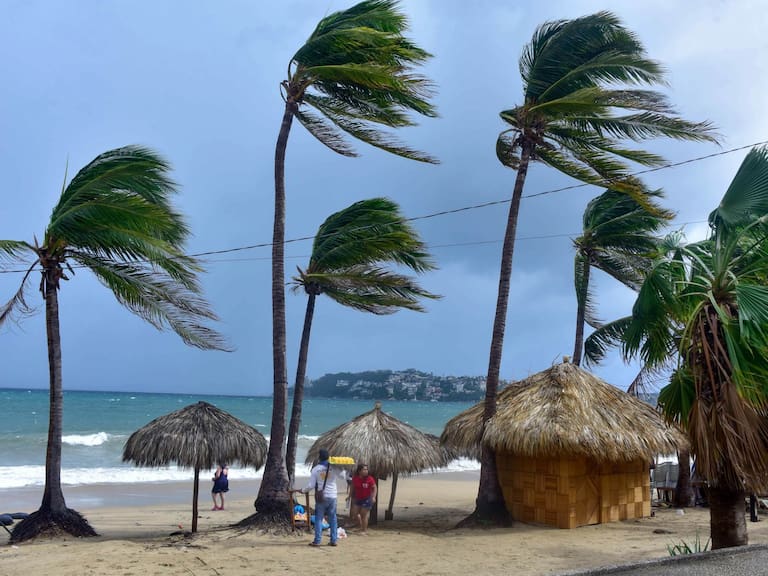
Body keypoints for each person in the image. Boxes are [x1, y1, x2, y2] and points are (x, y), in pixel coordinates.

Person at [301, 448, 347, 547]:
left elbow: (311, 485)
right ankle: (333, 540)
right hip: (333, 496)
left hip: (322, 496)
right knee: (333, 518)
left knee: (319, 518)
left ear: (319, 457)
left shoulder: (316, 469)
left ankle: (317, 540)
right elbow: (343, 476)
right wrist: (341, 466)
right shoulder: (334, 467)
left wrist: (303, 490)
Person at [350, 463, 376, 534]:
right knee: (355, 514)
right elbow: (352, 486)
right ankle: (361, 527)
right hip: (358, 498)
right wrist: (349, 495)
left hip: (367, 499)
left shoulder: (370, 478)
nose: (366, 471)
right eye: (364, 469)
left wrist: (373, 497)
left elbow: (374, 488)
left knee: (363, 514)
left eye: (367, 469)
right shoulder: (355, 478)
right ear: (359, 471)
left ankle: (364, 530)